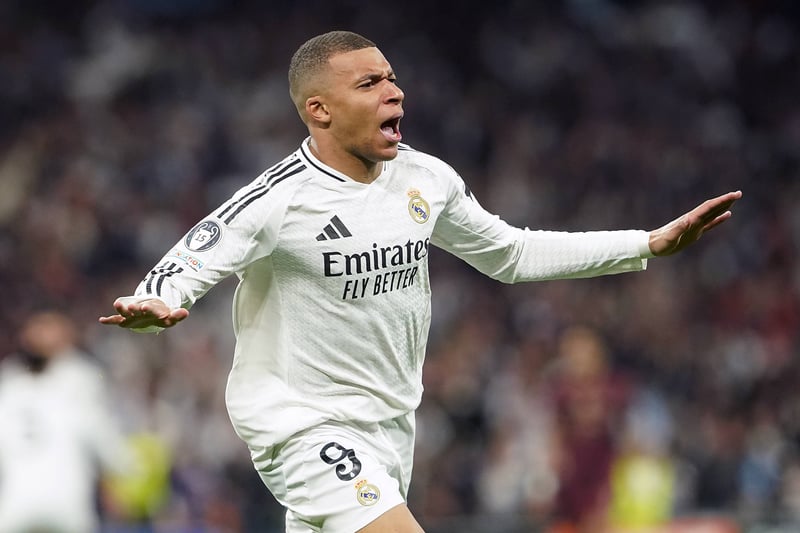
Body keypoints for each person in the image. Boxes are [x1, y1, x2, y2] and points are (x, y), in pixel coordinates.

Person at [99, 30, 742, 533]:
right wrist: (157, 302)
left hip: (390, 428)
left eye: (392, 78)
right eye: (370, 83)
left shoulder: (425, 180)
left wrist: (646, 244)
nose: (394, 93)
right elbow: (192, 257)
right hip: (304, 428)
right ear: (320, 110)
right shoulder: (279, 200)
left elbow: (511, 254)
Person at [0, 310, 133, 533]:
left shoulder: (9, 380)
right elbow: (100, 435)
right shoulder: (80, 376)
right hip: (66, 501)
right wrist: (122, 471)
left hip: (15, 502)